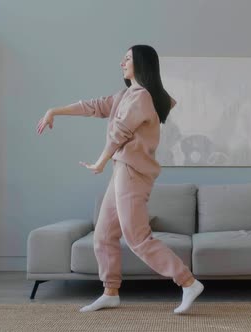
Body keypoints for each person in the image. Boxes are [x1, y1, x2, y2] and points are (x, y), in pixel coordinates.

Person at [36, 45, 204, 314]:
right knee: (103, 235)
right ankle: (110, 292)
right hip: (122, 172)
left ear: (141, 63)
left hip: (132, 173)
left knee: (136, 237)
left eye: (127, 58)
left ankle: (188, 282)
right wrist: (54, 110)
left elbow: (120, 133)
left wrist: (101, 162)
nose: (122, 63)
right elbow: (92, 106)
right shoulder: (125, 95)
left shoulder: (142, 97)